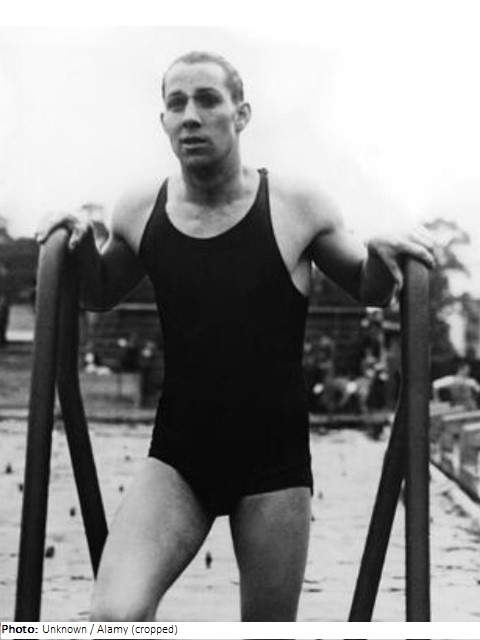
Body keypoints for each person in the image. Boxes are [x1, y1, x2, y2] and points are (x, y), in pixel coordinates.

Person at [36, 51, 435, 622]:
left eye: (207, 100)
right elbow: (98, 292)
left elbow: (370, 287)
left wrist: (383, 246)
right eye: (176, 104)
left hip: (273, 467)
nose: (190, 117)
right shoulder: (140, 209)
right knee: (114, 619)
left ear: (241, 114)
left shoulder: (296, 206)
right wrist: (74, 241)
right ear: (163, 121)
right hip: (178, 461)